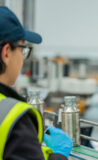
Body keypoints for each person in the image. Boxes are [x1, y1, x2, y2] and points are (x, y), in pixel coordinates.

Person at [0, 6, 72, 159]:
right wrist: (58, 155)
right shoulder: (13, 118)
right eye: (22, 49)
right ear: (6, 52)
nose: (22, 58)